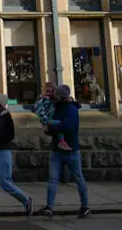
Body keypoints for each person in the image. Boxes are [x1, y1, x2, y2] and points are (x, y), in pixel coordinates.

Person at [40, 85, 90, 219]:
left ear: (63, 96)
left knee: (78, 177)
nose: (54, 97)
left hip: (71, 150)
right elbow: (52, 125)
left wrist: (53, 125)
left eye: (56, 95)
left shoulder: (72, 109)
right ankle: (49, 207)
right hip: (57, 148)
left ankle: (85, 206)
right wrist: (52, 125)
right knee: (53, 178)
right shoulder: (55, 107)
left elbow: (68, 127)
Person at [0, 93, 33, 221]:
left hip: (2, 152)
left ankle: (26, 200)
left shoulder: (6, 117)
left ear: (1, 104)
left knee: (5, 183)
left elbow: (10, 135)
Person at [34, 84, 73, 151]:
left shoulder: (55, 101)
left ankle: (62, 142)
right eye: (47, 91)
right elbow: (41, 112)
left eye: (51, 91)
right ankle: (62, 142)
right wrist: (47, 121)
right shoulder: (43, 100)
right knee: (60, 123)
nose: (48, 93)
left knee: (60, 124)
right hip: (48, 121)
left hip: (51, 121)